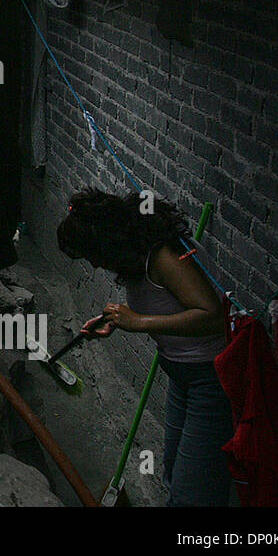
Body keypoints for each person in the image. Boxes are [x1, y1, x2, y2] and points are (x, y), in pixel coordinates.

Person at [56, 188, 234, 506]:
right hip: (183, 375)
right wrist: (118, 320)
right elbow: (165, 302)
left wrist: (139, 321)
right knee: (175, 472)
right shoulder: (139, 254)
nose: (96, 265)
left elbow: (213, 316)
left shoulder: (165, 256)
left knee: (193, 496)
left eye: (93, 255)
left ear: (108, 242)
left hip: (212, 379)